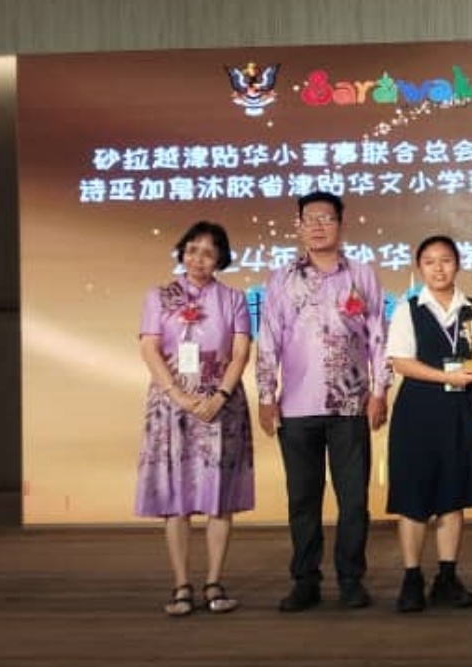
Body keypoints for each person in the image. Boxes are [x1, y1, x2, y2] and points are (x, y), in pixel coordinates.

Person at [256, 191, 391, 612]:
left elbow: (378, 337)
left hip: (351, 405)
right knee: (303, 498)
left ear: (340, 224)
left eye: (326, 218)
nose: (317, 225)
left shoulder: (362, 275)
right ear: (298, 225)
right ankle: (305, 580)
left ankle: (351, 579)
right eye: (309, 218)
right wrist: (265, 395)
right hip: (296, 406)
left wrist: (380, 390)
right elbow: (269, 337)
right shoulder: (281, 278)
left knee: (354, 500)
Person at [135, 220, 254, 617]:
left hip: (221, 404)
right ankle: (182, 584)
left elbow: (239, 353)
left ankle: (214, 582)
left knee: (218, 499)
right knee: (177, 499)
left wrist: (219, 395)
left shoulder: (233, 298)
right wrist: (177, 394)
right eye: (191, 249)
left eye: (207, 251)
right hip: (172, 405)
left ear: (221, 257)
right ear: (181, 253)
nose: (198, 258)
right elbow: (150, 348)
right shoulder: (160, 295)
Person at [385, 235, 472, 612]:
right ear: (420, 267)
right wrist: (446, 376)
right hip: (418, 411)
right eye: (429, 261)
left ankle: (447, 578)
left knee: (453, 495)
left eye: (446, 260)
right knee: (414, 497)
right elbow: (400, 362)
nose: (438, 268)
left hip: (460, 409)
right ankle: (412, 578)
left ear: (458, 265)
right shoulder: (408, 308)